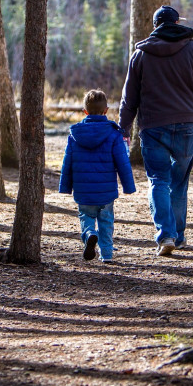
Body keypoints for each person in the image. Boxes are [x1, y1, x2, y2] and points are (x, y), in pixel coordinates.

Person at [119, 5, 193, 256]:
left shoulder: (140, 55)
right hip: (186, 125)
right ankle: (179, 236)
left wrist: (124, 128)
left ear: (156, 26)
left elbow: (129, 99)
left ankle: (166, 236)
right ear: (176, 23)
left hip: (153, 127)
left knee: (159, 181)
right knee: (179, 183)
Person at [59, 89, 136, 262]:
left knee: (85, 216)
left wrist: (65, 187)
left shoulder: (75, 136)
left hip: (83, 189)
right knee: (106, 221)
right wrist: (128, 186)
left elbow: (67, 162)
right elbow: (122, 162)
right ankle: (107, 254)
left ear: (85, 111)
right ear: (106, 110)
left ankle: (89, 234)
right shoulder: (114, 134)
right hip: (106, 190)